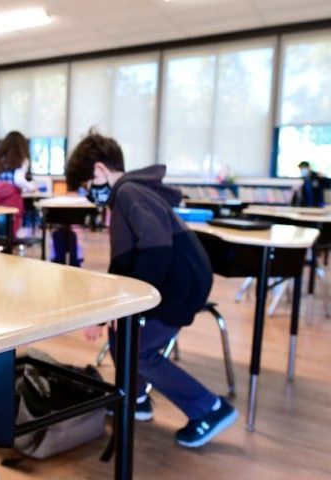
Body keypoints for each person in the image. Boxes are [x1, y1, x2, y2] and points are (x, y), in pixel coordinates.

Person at [65, 132, 238, 448]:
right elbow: (124, 266)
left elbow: (156, 252)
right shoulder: (128, 195)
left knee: (139, 351)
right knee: (124, 340)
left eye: (87, 188)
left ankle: (209, 409)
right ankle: (137, 399)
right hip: (175, 282)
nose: (89, 196)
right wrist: (107, 313)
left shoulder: (129, 193)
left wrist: (129, 307)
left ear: (100, 171)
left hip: (178, 287)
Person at [0, 131, 35, 235]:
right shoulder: (22, 159)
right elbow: (18, 180)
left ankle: (0, 243)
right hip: (10, 194)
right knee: (10, 225)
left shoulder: (2, 159)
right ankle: (7, 245)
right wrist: (31, 187)